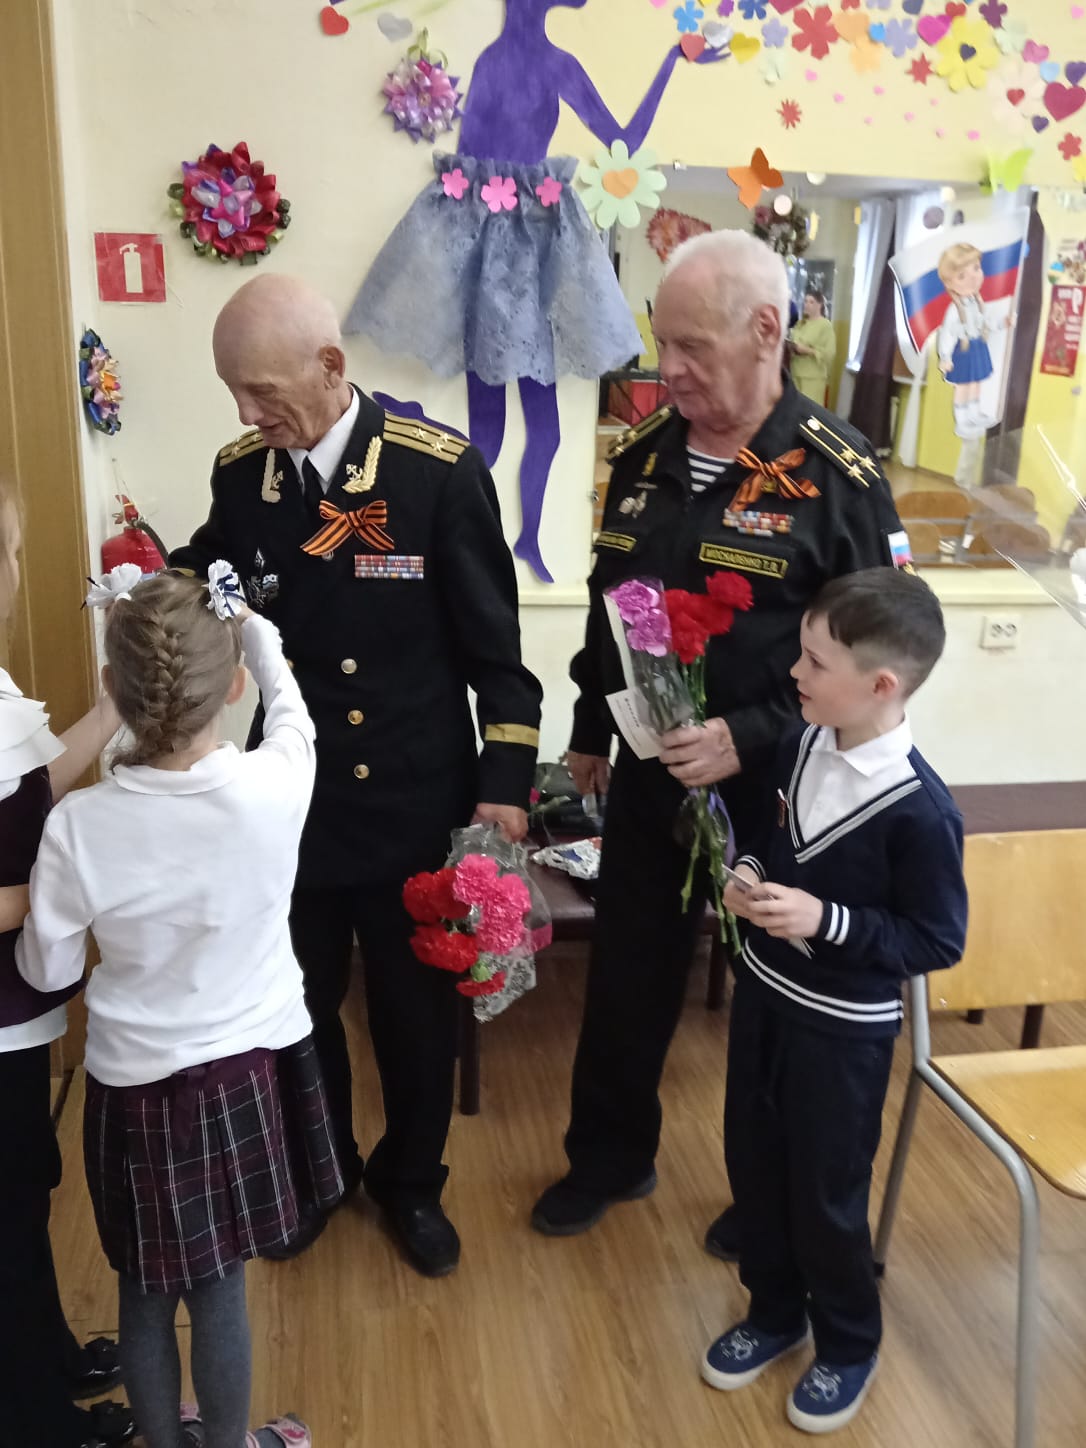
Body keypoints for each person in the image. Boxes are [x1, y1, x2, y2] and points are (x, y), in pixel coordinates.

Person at [531, 230, 912, 1244]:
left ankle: (768, 1196)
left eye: (692, 347)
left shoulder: (838, 474)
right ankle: (608, 1157)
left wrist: (750, 734)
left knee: (778, 996)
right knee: (628, 973)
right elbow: (612, 608)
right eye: (663, 343)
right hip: (654, 773)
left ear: (767, 330)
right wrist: (589, 730)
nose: (670, 369)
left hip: (782, 792)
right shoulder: (646, 454)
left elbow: (885, 663)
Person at [170, 274, 542, 1277]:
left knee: (414, 1018)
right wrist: (149, 593)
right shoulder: (245, 475)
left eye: (260, 391)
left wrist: (504, 787)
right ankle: (321, 1170)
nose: (245, 415)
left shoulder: (436, 473)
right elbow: (212, 569)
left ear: (331, 367)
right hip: (294, 800)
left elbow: (499, 659)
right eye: (233, 393)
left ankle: (411, 1182)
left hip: (414, 798)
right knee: (297, 1001)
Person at [18, 567, 339, 1448]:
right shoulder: (275, 788)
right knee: (222, 1287)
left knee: (143, 1290)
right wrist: (262, 643)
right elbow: (295, 718)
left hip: (132, 1093)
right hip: (246, 1079)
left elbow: (47, 971)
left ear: (114, 690)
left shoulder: (78, 825)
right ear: (231, 685)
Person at [701, 567, 967, 1434]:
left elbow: (936, 941)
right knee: (755, 1165)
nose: (795, 672)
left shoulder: (922, 812)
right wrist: (748, 873)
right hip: (764, 1002)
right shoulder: (803, 741)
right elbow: (776, 842)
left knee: (825, 1192)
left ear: (881, 685)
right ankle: (775, 1312)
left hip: (843, 1037)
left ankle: (849, 1342)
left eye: (815, 662)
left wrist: (827, 919)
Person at [0, 481, 136, 1448]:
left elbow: (21, 791)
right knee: (6, 1213)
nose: (18, 570)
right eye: (11, 551)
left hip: (17, 1008)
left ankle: (44, 1355)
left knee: (27, 1184)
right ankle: (36, 1422)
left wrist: (108, 712)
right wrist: (58, 895)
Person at [936, 242, 994, 440]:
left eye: (976, 268)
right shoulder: (954, 310)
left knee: (976, 382)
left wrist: (1003, 323)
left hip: (977, 347)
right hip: (962, 350)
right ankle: (962, 421)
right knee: (963, 386)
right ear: (949, 283)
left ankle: (974, 414)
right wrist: (945, 356)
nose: (972, 278)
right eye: (962, 276)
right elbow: (947, 334)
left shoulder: (977, 303)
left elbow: (986, 324)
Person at [789, 290, 837, 405]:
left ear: (819, 305)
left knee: (809, 409)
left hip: (813, 377)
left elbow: (829, 353)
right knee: (795, 408)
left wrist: (808, 350)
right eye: (805, 301)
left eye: (811, 302)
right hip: (796, 372)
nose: (807, 304)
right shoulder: (800, 324)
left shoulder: (825, 325)